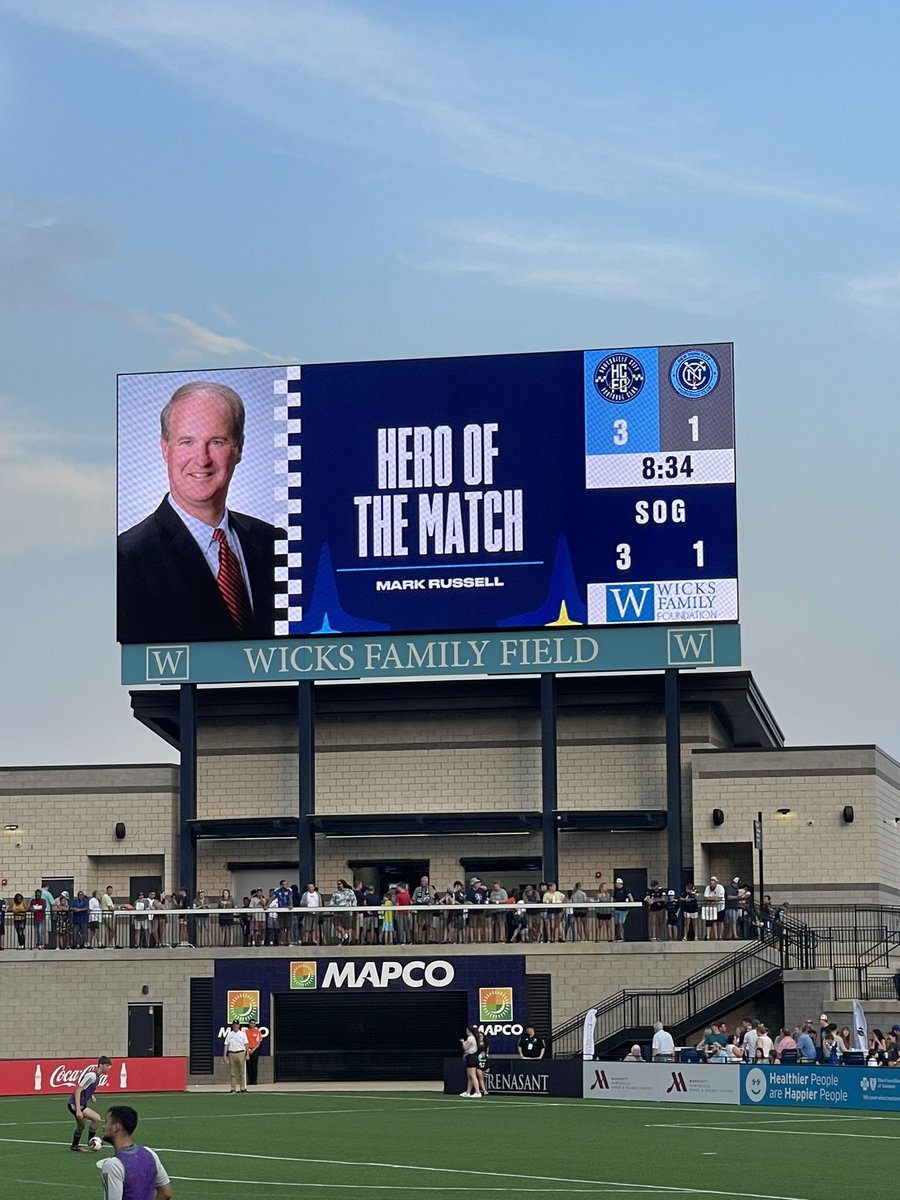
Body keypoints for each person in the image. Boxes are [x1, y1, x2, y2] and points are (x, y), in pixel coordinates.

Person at [117, 380, 282, 644]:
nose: (202, 458)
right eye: (187, 442)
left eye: (216, 441)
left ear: (239, 448)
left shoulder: (275, 544)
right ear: (164, 449)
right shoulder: (127, 558)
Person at [98, 1104, 172, 1199]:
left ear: (116, 1127)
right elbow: (166, 1192)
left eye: (106, 1122)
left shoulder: (113, 1165)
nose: (103, 1127)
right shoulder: (150, 1154)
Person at [68, 1054, 112, 1151]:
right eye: (107, 1066)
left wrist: (91, 1095)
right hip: (75, 1104)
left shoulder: (97, 1076)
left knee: (81, 1126)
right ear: (101, 1065)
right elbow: (78, 1090)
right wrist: (78, 1110)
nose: (109, 1068)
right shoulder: (92, 1075)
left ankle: (75, 1146)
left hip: (80, 1103)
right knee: (96, 1118)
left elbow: (85, 1086)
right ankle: (90, 1142)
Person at [223, 1020, 249, 1093]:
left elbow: (246, 1044)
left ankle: (243, 1088)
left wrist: (247, 1055)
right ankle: (233, 1088)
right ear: (232, 1026)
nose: (235, 1026)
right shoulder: (229, 1034)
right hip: (231, 1053)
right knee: (233, 1072)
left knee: (242, 1072)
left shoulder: (243, 1034)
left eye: (237, 1024)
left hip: (241, 1053)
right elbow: (226, 1045)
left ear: (239, 1025)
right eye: (234, 1025)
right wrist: (225, 1055)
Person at [460, 1025, 481, 1097]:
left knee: (473, 1075)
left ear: (469, 1031)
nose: (466, 1031)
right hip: (471, 1057)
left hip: (471, 1057)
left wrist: (463, 1042)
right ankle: (468, 1092)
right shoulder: (472, 1038)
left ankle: (478, 1092)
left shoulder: (470, 1038)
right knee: (469, 1076)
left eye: (467, 1030)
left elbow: (465, 1048)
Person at [245, 1018, 263, 1086]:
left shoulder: (257, 1031)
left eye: (253, 1023)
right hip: (248, 1050)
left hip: (255, 1050)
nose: (252, 1024)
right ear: (249, 1024)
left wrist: (253, 1049)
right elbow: (245, 1041)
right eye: (251, 1023)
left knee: (254, 1065)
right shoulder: (246, 1031)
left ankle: (255, 1081)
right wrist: (248, 1049)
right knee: (248, 1065)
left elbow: (258, 1042)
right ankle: (250, 1080)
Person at [475, 1029, 490, 1096]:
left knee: (482, 1077)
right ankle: (484, 1090)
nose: (481, 1037)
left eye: (482, 1035)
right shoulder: (476, 1044)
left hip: (484, 1062)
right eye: (479, 1036)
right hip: (478, 1062)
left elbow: (487, 1053)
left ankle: (477, 1089)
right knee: (480, 1076)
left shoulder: (486, 1044)